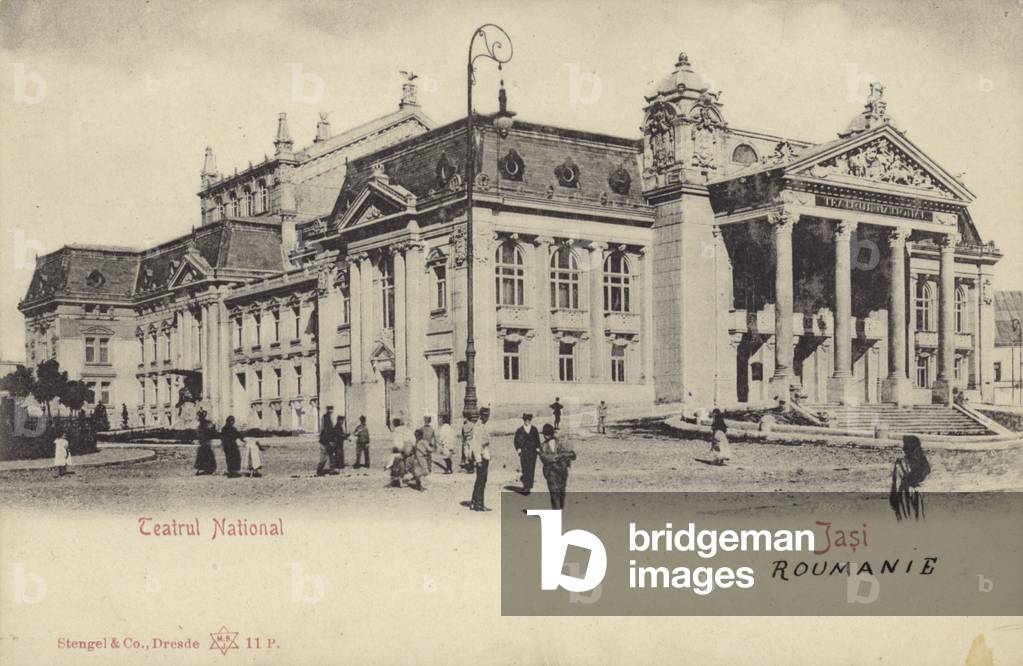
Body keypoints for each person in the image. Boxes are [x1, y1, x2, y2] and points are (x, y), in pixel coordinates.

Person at [890, 435, 930, 521]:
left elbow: (896, 484)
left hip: (905, 494)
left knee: (906, 520)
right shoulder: (923, 462)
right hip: (917, 494)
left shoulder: (901, 463)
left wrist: (893, 499)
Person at [539, 423, 576, 510]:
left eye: (547, 434)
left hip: (562, 471)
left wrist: (565, 455)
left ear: (551, 434)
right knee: (554, 492)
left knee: (561, 491)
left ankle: (560, 508)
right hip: (550, 472)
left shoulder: (561, 442)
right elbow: (543, 457)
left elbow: (571, 454)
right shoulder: (543, 446)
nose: (545, 436)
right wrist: (556, 458)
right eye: (544, 434)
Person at [469, 407, 492, 511]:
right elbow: (475, 445)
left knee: (480, 480)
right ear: (482, 416)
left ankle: (474, 502)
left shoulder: (483, 425)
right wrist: (478, 460)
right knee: (481, 481)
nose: (487, 418)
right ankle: (479, 504)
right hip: (481, 458)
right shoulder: (478, 427)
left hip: (485, 456)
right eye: (486, 416)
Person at [513, 413, 541, 493]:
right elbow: (516, 440)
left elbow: (537, 440)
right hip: (524, 452)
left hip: (533, 452)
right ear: (523, 420)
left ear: (530, 420)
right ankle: (526, 486)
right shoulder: (519, 430)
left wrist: (538, 448)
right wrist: (518, 449)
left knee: (531, 468)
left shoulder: (534, 429)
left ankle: (530, 485)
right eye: (525, 420)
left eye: (528, 420)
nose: (527, 421)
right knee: (525, 468)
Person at [194, 409, 217, 475]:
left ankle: (206, 469)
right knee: (206, 455)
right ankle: (208, 469)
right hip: (205, 443)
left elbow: (210, 430)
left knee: (204, 455)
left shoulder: (203, 424)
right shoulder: (203, 425)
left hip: (205, 442)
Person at [317, 406, 338, 476]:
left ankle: (331, 470)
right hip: (325, 441)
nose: (331, 411)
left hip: (328, 440)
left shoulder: (328, 418)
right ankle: (319, 471)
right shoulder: (326, 418)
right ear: (328, 410)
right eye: (330, 409)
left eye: (332, 409)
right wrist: (329, 440)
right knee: (324, 457)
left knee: (331, 456)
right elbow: (325, 430)